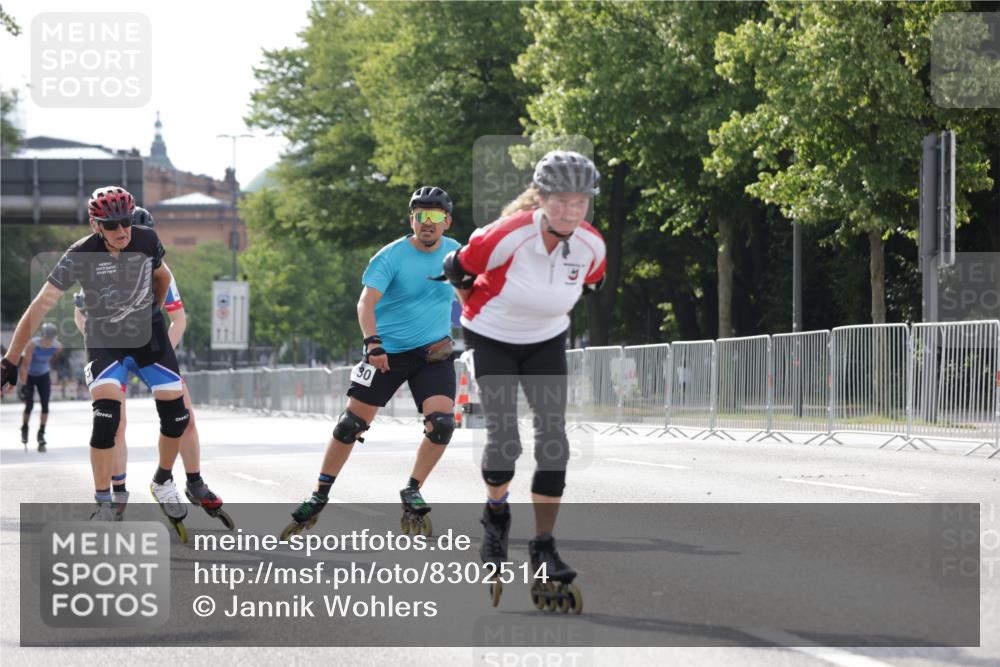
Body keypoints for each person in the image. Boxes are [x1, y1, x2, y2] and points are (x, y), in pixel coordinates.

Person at [442, 150, 605, 611]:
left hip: (546, 342)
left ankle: (544, 545)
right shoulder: (506, 235)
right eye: (560, 201)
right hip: (491, 337)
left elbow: (590, 283)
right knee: (505, 439)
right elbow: (458, 268)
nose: (571, 211)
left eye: (580, 202)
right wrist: (473, 310)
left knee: (555, 440)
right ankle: (496, 516)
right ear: (540, 197)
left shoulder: (592, 246)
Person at [0, 187, 192, 530]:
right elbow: (40, 306)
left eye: (126, 223)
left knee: (177, 416)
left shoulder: (147, 240)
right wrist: (10, 359)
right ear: (95, 224)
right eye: (112, 225)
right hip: (104, 338)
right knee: (107, 418)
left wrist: (153, 311)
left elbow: (161, 276)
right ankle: (104, 502)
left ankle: (163, 480)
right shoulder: (78, 255)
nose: (122, 231)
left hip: (148, 333)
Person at [282, 186, 460, 538]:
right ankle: (318, 495)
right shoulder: (390, 256)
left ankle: (412, 487)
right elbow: (366, 302)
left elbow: (474, 292)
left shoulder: (457, 254)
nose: (428, 223)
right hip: (386, 355)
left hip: (433, 354)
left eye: (435, 217)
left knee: (441, 424)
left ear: (447, 221)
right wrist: (373, 343)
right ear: (412, 220)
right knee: (350, 426)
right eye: (421, 216)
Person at [71, 206, 231, 527]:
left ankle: (192, 480)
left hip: (153, 349)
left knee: (185, 415)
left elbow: (179, 321)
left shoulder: (159, 270)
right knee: (114, 423)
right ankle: (117, 493)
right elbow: (82, 317)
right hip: (111, 348)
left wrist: (155, 359)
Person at [18, 322, 62, 452]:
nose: (48, 342)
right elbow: (25, 366)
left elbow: (53, 360)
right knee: (29, 405)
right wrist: (24, 384)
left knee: (45, 406)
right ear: (42, 336)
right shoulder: (33, 345)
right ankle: (25, 428)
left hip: (44, 375)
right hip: (30, 376)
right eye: (46, 339)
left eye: (50, 339)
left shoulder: (57, 347)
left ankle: (41, 433)